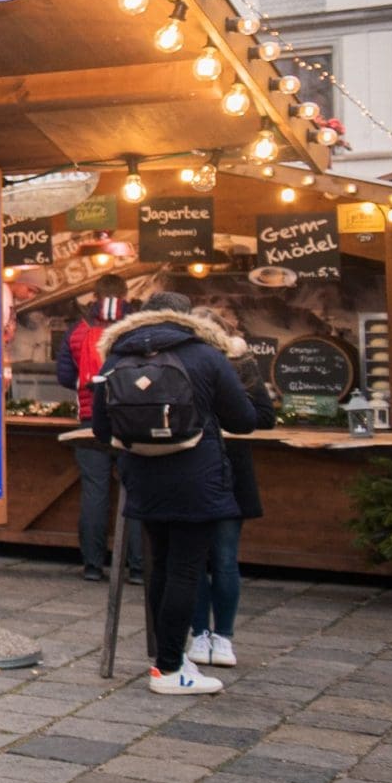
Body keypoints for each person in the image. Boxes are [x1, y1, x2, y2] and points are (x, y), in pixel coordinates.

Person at [92, 292, 260, 695]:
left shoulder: (116, 357)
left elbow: (101, 429)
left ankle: (169, 660)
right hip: (197, 478)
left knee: (161, 568)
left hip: (143, 478)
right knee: (185, 570)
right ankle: (169, 669)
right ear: (188, 319)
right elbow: (245, 420)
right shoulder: (206, 356)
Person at [189, 316, 274, 669]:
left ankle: (220, 636)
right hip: (194, 467)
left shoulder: (239, 363)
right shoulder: (184, 361)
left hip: (228, 467)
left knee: (221, 557)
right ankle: (202, 634)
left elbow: (263, 417)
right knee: (196, 558)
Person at [55, 275, 142, 583]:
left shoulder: (78, 331)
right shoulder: (140, 327)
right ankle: (138, 568)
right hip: (133, 420)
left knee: (95, 490)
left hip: (92, 420)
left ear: (94, 296)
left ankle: (93, 565)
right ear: (126, 294)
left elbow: (65, 376)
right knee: (135, 492)